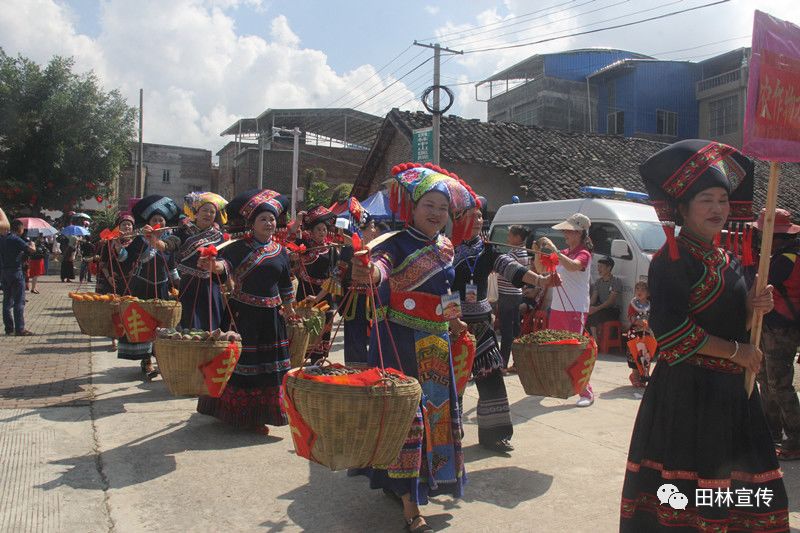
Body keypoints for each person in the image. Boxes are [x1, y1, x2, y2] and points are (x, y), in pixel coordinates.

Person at [620, 139, 788, 531]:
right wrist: (738, 353)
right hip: (688, 393)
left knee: (738, 484)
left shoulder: (726, 258)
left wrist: (753, 308)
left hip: (733, 392)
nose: (717, 209)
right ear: (682, 208)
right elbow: (674, 334)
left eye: (723, 200)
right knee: (692, 489)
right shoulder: (671, 261)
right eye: (706, 200)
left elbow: (736, 322)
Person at [350, 163, 475, 533]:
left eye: (442, 208)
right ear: (413, 208)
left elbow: (447, 290)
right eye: (429, 206)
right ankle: (410, 504)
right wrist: (369, 271)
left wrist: (454, 320)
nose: (436, 214)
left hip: (436, 344)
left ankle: (420, 481)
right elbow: (381, 270)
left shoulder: (446, 247)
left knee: (434, 415)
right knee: (408, 419)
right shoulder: (392, 243)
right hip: (399, 341)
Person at [453, 197, 553, 452]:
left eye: (478, 216)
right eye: (470, 215)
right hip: (453, 325)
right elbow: (442, 286)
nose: (476, 220)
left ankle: (494, 435)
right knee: (454, 381)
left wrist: (541, 280)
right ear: (457, 217)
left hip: (483, 323)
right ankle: (450, 436)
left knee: (491, 375)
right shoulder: (447, 250)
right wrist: (453, 320)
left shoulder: (487, 250)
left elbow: (512, 269)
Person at [198, 189, 296, 433]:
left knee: (268, 369)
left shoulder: (281, 251)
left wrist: (290, 309)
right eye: (263, 219)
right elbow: (225, 266)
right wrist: (214, 265)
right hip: (243, 316)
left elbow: (285, 284)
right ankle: (237, 413)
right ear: (252, 224)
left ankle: (262, 414)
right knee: (239, 365)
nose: (269, 223)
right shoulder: (237, 248)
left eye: (272, 219)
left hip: (272, 319)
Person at [753, 208, 800, 461]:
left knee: (778, 384)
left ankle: (796, 437)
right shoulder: (785, 254)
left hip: (782, 328)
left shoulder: (786, 259)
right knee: (765, 378)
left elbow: (761, 283)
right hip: (775, 325)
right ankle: (771, 431)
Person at [149, 192, 228, 330]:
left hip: (210, 287)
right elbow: (168, 245)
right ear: (196, 214)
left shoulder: (219, 237)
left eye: (212, 212)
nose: (208, 214)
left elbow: (225, 262)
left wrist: (215, 266)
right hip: (188, 285)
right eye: (205, 210)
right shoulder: (183, 232)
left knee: (211, 327)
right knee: (188, 325)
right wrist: (155, 241)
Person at [123, 195, 181, 379]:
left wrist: (178, 283)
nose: (158, 223)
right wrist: (118, 248)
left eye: (161, 220)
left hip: (163, 287)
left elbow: (171, 265)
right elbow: (127, 258)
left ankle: (161, 361)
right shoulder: (139, 239)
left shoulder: (170, 240)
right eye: (154, 220)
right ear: (148, 223)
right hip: (142, 287)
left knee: (162, 326)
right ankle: (146, 360)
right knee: (144, 324)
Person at [540, 213, 594, 407]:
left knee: (574, 350)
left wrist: (555, 251)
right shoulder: (565, 252)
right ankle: (563, 385)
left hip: (575, 308)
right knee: (557, 347)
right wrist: (541, 252)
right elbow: (543, 269)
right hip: (558, 307)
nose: (564, 233)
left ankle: (586, 391)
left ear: (579, 233)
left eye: (568, 231)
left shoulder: (583, 253)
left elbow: (573, 267)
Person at [293, 206, 338, 363]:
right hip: (305, 292)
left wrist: (318, 296)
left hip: (324, 294)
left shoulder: (332, 250)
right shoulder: (304, 247)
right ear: (310, 232)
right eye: (318, 229)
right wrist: (298, 221)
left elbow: (334, 277)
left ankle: (318, 363)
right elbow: (289, 244)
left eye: (324, 229)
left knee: (322, 329)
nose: (322, 232)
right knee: (303, 329)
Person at [341, 216, 388, 366]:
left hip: (377, 299)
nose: (375, 230)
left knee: (379, 338)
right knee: (354, 339)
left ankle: (375, 370)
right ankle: (357, 375)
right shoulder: (348, 250)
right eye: (372, 226)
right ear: (361, 230)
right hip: (355, 300)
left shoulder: (380, 249)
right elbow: (337, 275)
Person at [496, 225, 530, 369]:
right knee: (514, 330)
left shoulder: (515, 254)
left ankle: (503, 363)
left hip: (508, 295)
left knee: (507, 331)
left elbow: (509, 272)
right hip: (515, 295)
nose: (507, 238)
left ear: (517, 238)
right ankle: (516, 363)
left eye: (510, 235)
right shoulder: (521, 252)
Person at [1, 220, 35, 336]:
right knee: (19, 301)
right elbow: (31, 250)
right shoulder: (16, 239)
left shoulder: (2, 238)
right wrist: (32, 245)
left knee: (7, 301)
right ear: (19, 229)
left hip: (4, 271)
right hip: (15, 271)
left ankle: (9, 328)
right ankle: (20, 328)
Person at [625, 281, 652, 395]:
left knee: (647, 355)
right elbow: (630, 317)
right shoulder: (633, 304)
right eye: (637, 289)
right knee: (635, 355)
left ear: (648, 293)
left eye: (643, 290)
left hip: (648, 333)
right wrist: (638, 321)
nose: (639, 292)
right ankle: (635, 376)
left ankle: (644, 377)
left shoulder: (650, 305)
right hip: (635, 332)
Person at [586, 256, 622, 339]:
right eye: (598, 266)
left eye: (601, 267)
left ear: (609, 268)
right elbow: (593, 299)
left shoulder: (616, 281)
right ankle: (592, 337)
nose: (599, 269)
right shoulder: (598, 282)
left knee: (594, 314)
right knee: (586, 313)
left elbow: (611, 301)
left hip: (612, 310)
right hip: (600, 308)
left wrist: (596, 309)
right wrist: (587, 307)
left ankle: (595, 339)